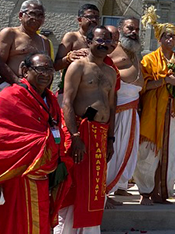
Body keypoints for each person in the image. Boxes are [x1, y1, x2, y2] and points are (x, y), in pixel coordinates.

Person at [55, 26, 119, 234]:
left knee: (96, 187)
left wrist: (111, 139)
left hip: (101, 135)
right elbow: (67, 103)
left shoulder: (111, 72)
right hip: (82, 132)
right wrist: (74, 137)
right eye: (100, 40)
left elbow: (111, 107)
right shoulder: (78, 67)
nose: (104, 44)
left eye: (108, 41)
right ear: (89, 41)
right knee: (78, 185)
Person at [0, 53, 64, 234]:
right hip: (15, 176)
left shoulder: (51, 98)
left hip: (41, 175)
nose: (46, 74)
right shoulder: (10, 97)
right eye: (40, 69)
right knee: (15, 224)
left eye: (49, 69)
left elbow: (57, 128)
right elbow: (0, 139)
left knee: (38, 222)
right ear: (24, 71)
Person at [134, 7, 175, 205]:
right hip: (153, 112)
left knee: (169, 154)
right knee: (148, 153)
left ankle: (162, 192)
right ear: (159, 39)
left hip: (171, 114)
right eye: (167, 36)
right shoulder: (149, 59)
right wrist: (166, 81)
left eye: (174, 37)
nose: (171, 40)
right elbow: (144, 86)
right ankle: (145, 192)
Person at [104, 17, 142, 205]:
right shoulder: (112, 51)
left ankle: (119, 186)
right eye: (129, 28)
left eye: (136, 28)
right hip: (117, 109)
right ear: (121, 29)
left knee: (128, 149)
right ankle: (104, 192)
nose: (134, 31)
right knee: (113, 150)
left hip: (132, 108)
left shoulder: (135, 51)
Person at [0, 0, 54, 92]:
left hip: (37, 92)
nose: (36, 18)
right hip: (11, 88)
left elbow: (48, 68)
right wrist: (18, 83)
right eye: (32, 14)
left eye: (40, 15)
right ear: (21, 15)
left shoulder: (44, 41)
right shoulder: (10, 33)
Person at [54, 4, 100, 74]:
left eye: (97, 17)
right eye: (90, 17)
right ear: (79, 20)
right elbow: (56, 66)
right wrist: (69, 58)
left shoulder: (101, 40)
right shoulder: (72, 37)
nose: (94, 20)